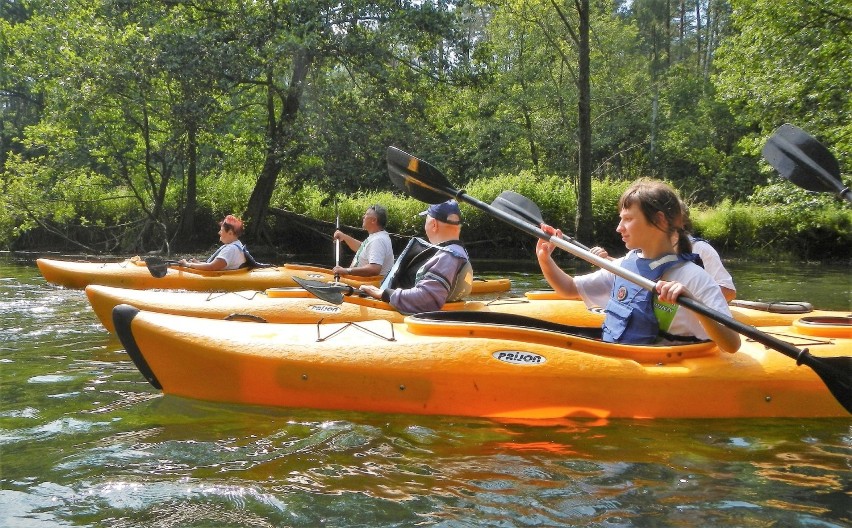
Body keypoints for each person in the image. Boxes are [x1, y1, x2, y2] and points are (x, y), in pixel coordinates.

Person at [537, 180, 740, 353]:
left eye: (628, 219)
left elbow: (731, 343)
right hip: (624, 359)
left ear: (659, 220)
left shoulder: (693, 277)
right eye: (621, 220)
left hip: (666, 372)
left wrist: (694, 303)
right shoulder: (625, 265)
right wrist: (545, 259)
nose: (619, 228)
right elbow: (569, 288)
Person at [590, 201, 736, 302]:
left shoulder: (701, 249)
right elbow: (636, 273)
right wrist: (606, 259)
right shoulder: (647, 248)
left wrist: (693, 299)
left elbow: (729, 292)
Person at [360, 200, 473, 314]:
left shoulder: (447, 257)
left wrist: (384, 294)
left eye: (426, 219)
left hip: (418, 319)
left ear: (433, 224)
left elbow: (427, 299)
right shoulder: (456, 251)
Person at [332, 205, 395, 277]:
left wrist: (346, 271)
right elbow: (362, 248)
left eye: (366, 215)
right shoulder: (377, 236)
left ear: (374, 220)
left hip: (366, 283)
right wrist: (344, 237)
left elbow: (374, 269)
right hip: (358, 280)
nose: (363, 217)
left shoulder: (378, 240)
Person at [179, 214, 247, 271]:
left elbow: (212, 267)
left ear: (230, 233)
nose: (219, 233)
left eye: (221, 230)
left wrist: (187, 264)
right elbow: (215, 265)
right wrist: (198, 263)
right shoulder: (238, 245)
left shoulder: (230, 250)